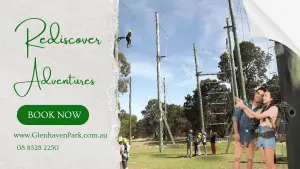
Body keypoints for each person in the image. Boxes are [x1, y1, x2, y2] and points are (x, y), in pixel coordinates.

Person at [235, 90, 278, 169]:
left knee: (270, 163)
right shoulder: (263, 109)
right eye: (263, 95)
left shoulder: (273, 108)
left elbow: (257, 117)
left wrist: (244, 106)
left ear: (271, 98)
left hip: (268, 136)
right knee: (266, 162)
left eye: (266, 95)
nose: (263, 97)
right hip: (261, 137)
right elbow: (250, 115)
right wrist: (242, 104)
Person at [232, 87, 266, 169]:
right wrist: (236, 133)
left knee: (250, 159)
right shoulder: (245, 103)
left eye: (261, 95)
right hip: (240, 135)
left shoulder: (261, 110)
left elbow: (259, 126)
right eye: (258, 93)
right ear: (255, 93)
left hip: (251, 137)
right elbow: (235, 118)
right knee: (237, 158)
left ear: (262, 98)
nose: (258, 96)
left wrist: (257, 139)